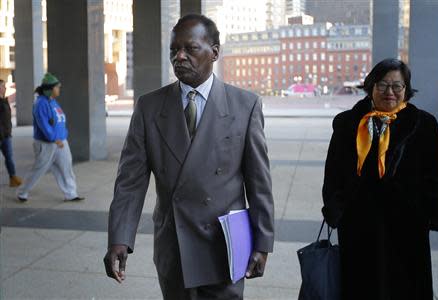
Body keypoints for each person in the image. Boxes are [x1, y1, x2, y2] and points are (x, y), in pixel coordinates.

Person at [104, 14, 274, 299]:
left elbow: (259, 185)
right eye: (174, 50)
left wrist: (262, 242)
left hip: (225, 246)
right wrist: (120, 238)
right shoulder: (149, 107)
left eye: (190, 49)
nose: (179, 57)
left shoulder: (245, 105)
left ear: (214, 53)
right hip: (175, 245)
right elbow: (130, 183)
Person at [322, 58, 438, 300]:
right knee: (361, 288)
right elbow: (334, 173)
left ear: (406, 90)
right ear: (371, 86)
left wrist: (435, 210)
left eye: (397, 86)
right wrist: (335, 207)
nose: (389, 92)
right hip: (359, 226)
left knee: (406, 288)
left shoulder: (424, 124)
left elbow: (435, 176)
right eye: (382, 85)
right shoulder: (348, 123)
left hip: (408, 226)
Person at [16, 73, 84, 203]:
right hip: (46, 143)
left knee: (66, 168)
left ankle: (71, 193)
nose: (59, 89)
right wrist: (54, 138)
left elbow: (58, 121)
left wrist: (63, 136)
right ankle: (22, 192)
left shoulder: (53, 102)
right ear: (50, 89)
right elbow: (43, 124)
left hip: (60, 142)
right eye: (57, 87)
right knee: (39, 169)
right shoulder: (41, 104)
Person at [0, 79, 22, 187]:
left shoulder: (4, 100)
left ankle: (13, 178)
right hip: (1, 135)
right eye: (3, 86)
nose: (5, 88)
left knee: (9, 157)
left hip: (6, 135)